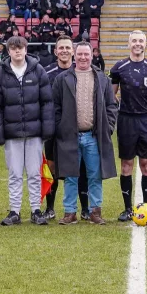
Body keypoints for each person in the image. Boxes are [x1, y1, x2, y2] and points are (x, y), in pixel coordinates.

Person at [0, 35, 55, 226]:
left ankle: (36, 210)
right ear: (8, 51)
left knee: (34, 174)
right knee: (15, 174)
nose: (17, 51)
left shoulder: (38, 70)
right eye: (13, 48)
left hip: (34, 132)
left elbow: (47, 102)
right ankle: (14, 211)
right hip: (12, 133)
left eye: (20, 47)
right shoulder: (0, 73)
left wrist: (47, 129)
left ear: (26, 49)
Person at [51, 41, 118, 224]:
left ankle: (95, 211)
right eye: (79, 54)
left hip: (93, 136)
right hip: (69, 136)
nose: (82, 57)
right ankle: (70, 212)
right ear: (74, 55)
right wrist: (60, 127)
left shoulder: (102, 78)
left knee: (95, 175)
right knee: (70, 176)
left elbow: (112, 105)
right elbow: (55, 107)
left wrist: (108, 127)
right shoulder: (62, 79)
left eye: (86, 54)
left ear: (91, 55)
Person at [110, 30, 147, 221]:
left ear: (145, 44)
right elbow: (111, 93)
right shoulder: (119, 67)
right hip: (126, 121)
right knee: (126, 165)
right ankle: (127, 209)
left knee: (146, 164)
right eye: (134, 40)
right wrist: (120, 107)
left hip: (146, 122)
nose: (137, 44)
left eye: (141, 41)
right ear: (129, 44)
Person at [44, 36, 90, 219]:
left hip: (76, 130)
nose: (64, 51)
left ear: (73, 51)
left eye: (67, 48)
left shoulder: (81, 72)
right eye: (61, 48)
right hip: (53, 130)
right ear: (55, 51)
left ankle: (85, 208)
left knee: (81, 168)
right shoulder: (46, 73)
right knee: (52, 168)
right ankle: (50, 208)